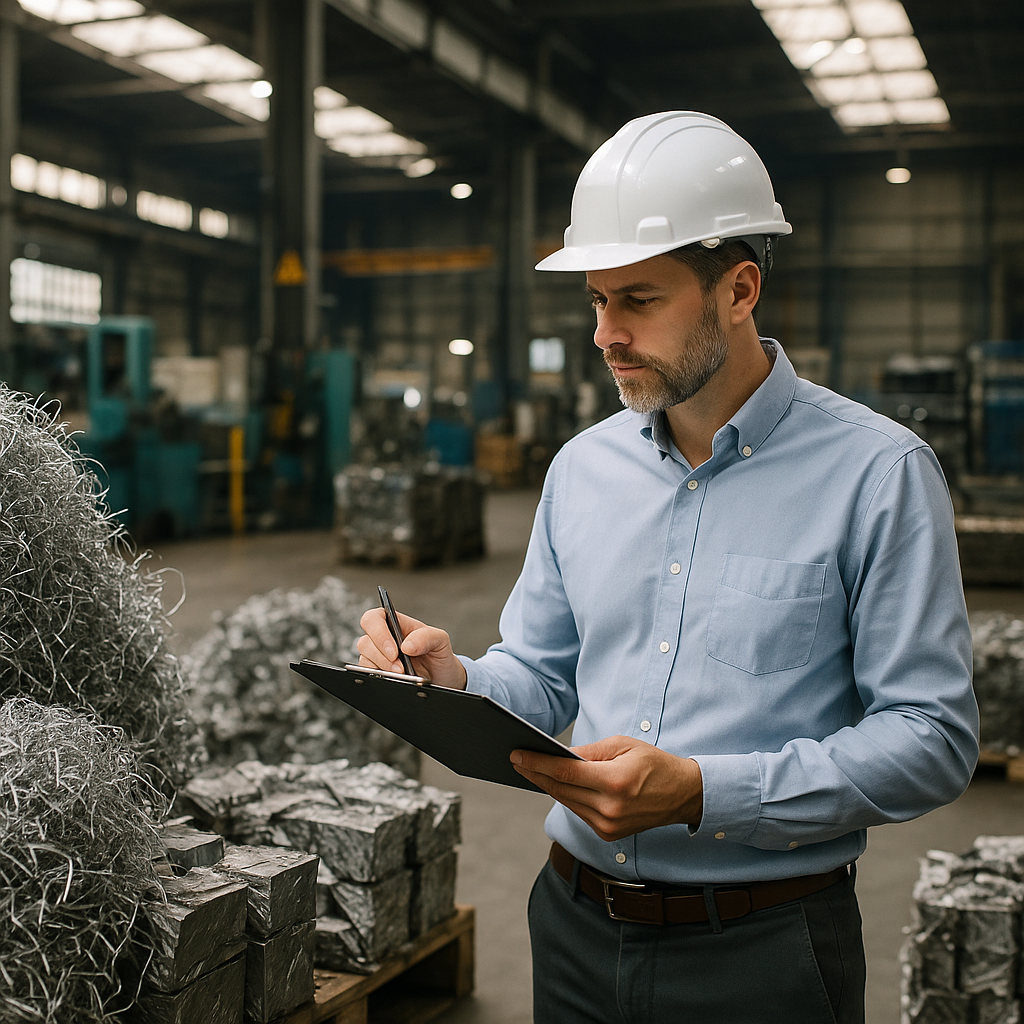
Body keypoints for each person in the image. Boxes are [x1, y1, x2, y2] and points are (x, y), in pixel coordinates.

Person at [357, 111, 979, 1023]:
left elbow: (931, 736)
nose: (607, 333)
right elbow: (541, 678)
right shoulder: (581, 471)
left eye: (639, 299)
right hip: (572, 929)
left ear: (739, 288)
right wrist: (453, 677)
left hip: (763, 951)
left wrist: (701, 791)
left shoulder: (877, 475)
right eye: (597, 301)